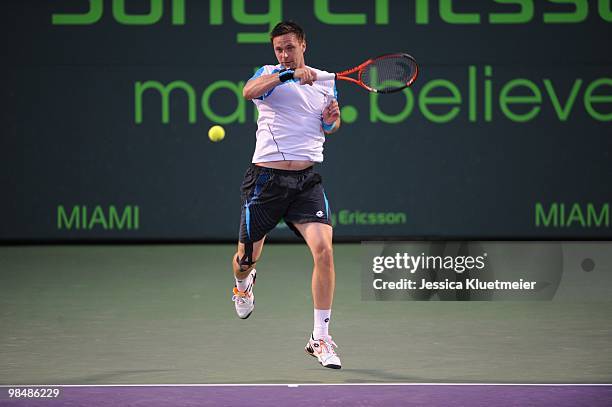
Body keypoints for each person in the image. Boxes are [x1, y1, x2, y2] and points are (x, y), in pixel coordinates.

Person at [231, 20, 342, 369]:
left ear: (303, 45)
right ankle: (242, 284)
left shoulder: (326, 80)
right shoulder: (269, 74)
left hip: (306, 182)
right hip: (265, 181)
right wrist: (285, 75)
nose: (284, 53)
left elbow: (329, 125)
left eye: (290, 47)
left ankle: (320, 338)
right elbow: (248, 92)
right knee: (245, 259)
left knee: (324, 251)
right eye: (279, 48)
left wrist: (332, 119)